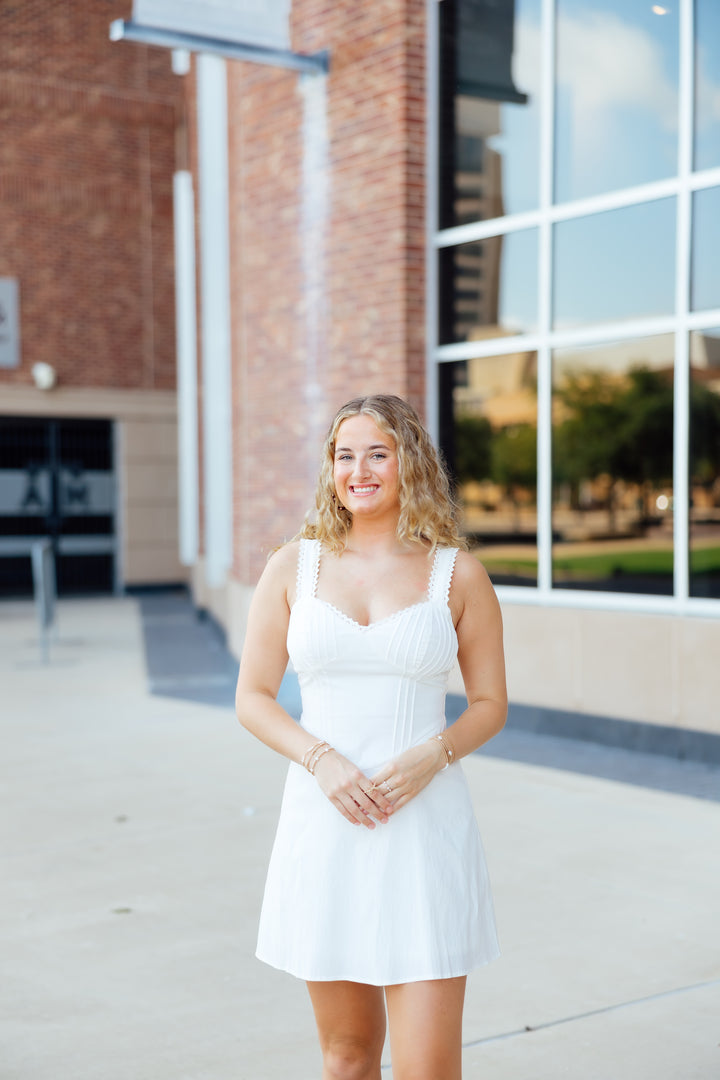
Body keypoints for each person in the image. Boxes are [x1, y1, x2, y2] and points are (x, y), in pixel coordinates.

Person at [235, 394, 507, 1080]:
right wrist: (320, 761)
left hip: (423, 832)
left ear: (410, 462)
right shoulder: (292, 567)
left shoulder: (459, 575)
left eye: (377, 453)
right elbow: (253, 698)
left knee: (427, 1069)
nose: (359, 470)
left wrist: (432, 754)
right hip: (324, 827)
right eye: (344, 455)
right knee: (348, 1058)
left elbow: (489, 704)